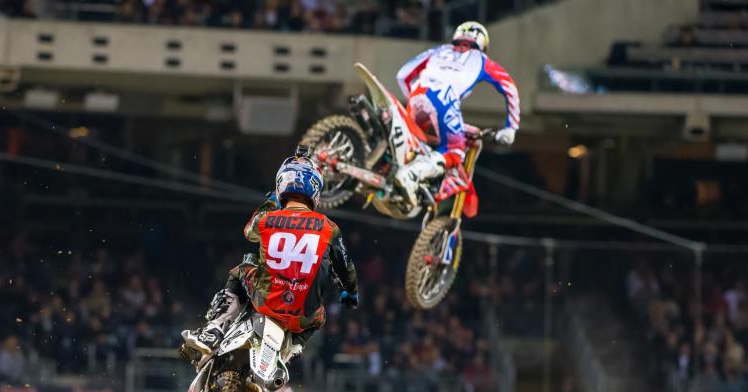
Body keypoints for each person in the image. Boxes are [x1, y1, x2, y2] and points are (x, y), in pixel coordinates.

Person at [182, 148, 359, 356]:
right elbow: (344, 265)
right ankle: (294, 348)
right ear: (316, 192)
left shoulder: (267, 219)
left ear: (281, 185)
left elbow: (249, 232)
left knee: (243, 266)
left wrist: (272, 200)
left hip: (266, 302)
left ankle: (215, 328)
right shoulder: (329, 227)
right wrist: (350, 291)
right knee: (319, 316)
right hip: (303, 316)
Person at [393, 21, 520, 208]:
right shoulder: (481, 59)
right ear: (483, 43)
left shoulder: (438, 50)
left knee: (424, 139)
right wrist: (511, 127)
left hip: (417, 94)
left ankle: (407, 166)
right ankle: (411, 174)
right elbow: (510, 88)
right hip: (444, 100)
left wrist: (416, 98)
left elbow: (402, 75)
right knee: (454, 151)